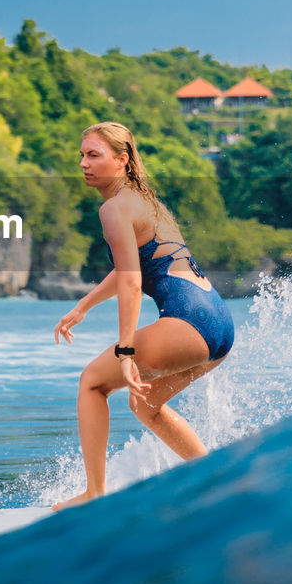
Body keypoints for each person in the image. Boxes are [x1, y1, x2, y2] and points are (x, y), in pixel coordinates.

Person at [52, 121, 235, 510]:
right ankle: (215, 480)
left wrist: (127, 350)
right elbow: (131, 267)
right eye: (82, 155)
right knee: (145, 405)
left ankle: (93, 495)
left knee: (91, 383)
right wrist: (82, 306)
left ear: (122, 160)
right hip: (218, 322)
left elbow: (133, 283)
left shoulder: (114, 208)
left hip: (187, 322)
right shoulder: (146, 201)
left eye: (94, 155)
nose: (83, 163)